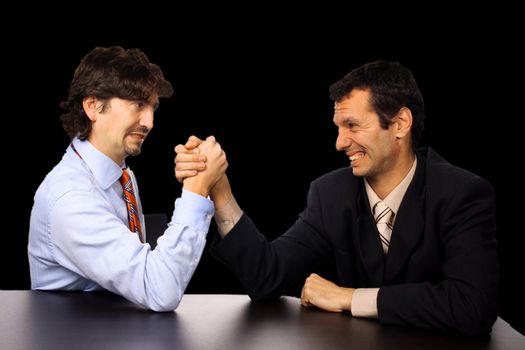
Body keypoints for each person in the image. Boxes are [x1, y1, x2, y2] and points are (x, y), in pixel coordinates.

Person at [175, 60, 499, 334]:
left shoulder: (462, 194)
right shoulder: (332, 194)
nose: (340, 143)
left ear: (400, 123)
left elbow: (473, 306)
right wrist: (219, 190)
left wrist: (349, 298)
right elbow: (266, 276)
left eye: (352, 125)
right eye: (338, 127)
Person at [28, 46, 227, 311]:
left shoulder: (121, 175)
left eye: (153, 107)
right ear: (92, 106)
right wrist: (196, 188)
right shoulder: (71, 199)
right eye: (137, 104)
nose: (149, 121)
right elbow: (158, 290)